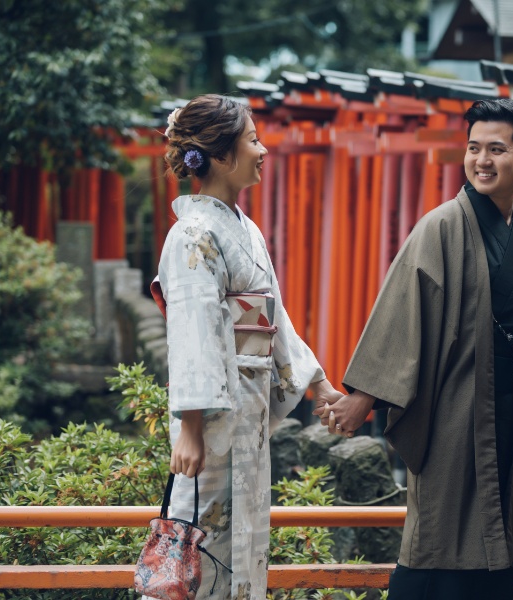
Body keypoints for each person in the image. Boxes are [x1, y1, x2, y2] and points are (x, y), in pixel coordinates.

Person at [320, 98, 513, 598]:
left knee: (502, 548)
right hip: (455, 412)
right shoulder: (441, 227)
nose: (482, 161)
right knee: (437, 542)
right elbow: (404, 313)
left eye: (497, 149)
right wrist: (364, 396)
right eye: (473, 149)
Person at [151, 94, 342, 599]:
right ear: (219, 156)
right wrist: (189, 427)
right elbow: (191, 333)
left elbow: (274, 318)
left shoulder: (245, 229)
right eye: (253, 140)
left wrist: (319, 386)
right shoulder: (193, 234)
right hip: (212, 427)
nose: (263, 150)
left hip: (249, 414)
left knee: (246, 547)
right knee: (202, 551)